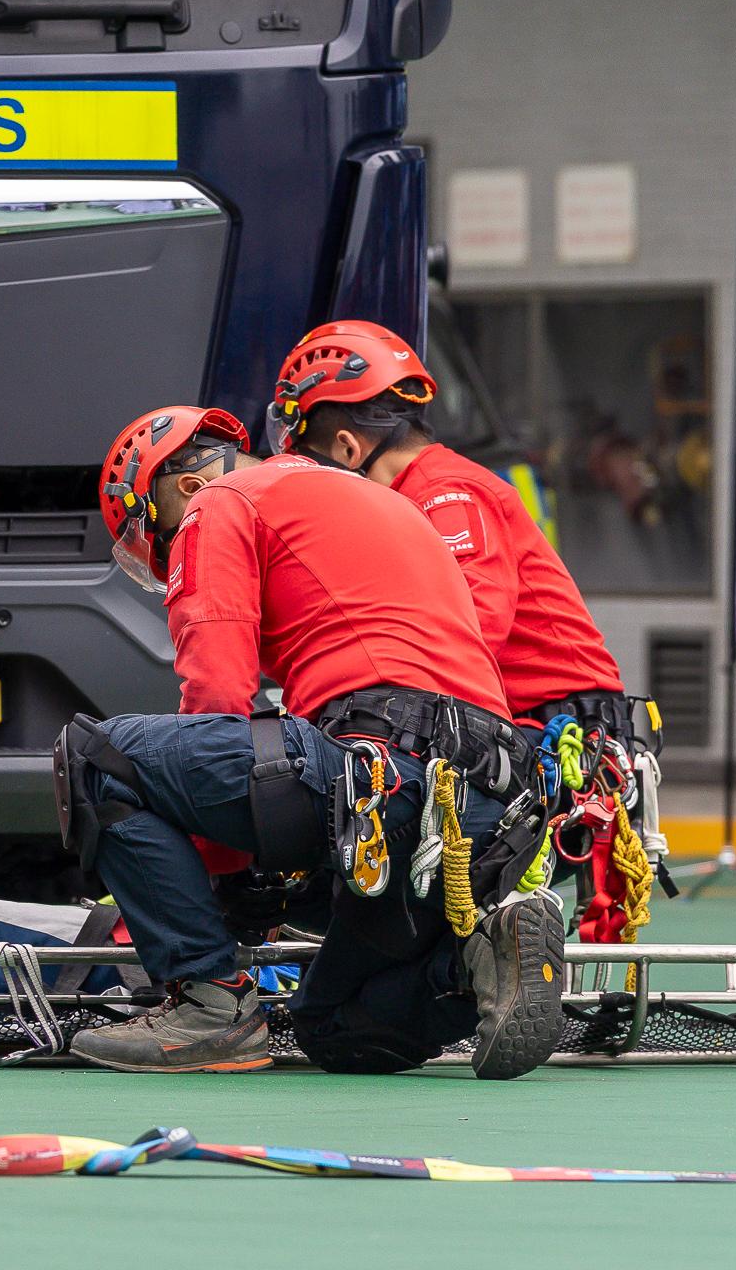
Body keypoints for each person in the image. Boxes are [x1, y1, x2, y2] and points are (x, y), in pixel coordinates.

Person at [57, 405, 563, 1078]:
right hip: (488, 809)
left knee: (96, 757)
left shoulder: (221, 502)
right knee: (337, 1028)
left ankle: (210, 1004)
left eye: (164, 543)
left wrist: (221, 875)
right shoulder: (377, 502)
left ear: (177, 488)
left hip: (386, 773)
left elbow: (215, 699)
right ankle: (473, 963)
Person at [270, 319, 653, 934]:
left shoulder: (444, 495)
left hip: (552, 738)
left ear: (345, 448)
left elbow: (471, 627)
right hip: (520, 726)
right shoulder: (422, 495)